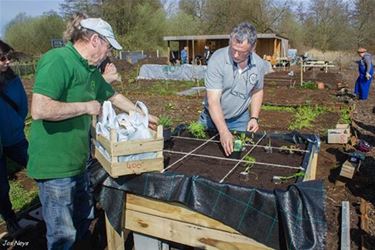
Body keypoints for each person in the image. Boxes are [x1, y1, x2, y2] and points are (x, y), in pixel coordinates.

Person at [27, 16, 158, 249]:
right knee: (62, 236)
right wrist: (86, 107)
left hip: (79, 164)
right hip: (55, 168)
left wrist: (142, 115)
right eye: (108, 46)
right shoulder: (57, 60)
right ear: (95, 40)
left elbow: (113, 95)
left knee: (82, 223)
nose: (109, 53)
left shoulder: (89, 70)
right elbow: (39, 109)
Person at [198, 22, 268, 157]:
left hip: (239, 120)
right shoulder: (218, 59)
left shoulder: (258, 64)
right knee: (201, 158)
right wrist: (224, 132)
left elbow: (257, 90)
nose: (235, 55)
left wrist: (254, 117)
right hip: (211, 119)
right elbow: (213, 101)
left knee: (237, 160)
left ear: (252, 48)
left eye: (241, 52)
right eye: (233, 48)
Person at [0, 40, 28, 235]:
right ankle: (10, 220)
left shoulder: (13, 81)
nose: (7, 62)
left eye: (9, 57)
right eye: (2, 58)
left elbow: (23, 106)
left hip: (15, 138)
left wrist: (15, 125)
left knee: (38, 166)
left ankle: (51, 203)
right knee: (1, 187)